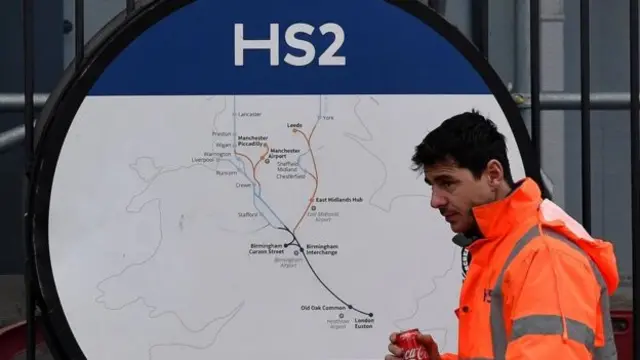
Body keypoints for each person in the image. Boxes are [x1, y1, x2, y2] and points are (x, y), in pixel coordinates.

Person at [385, 110, 619, 360]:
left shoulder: (544, 257)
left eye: (447, 183)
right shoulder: (503, 246)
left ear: (493, 174)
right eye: (432, 185)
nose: (436, 200)